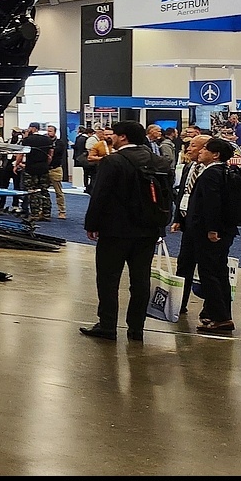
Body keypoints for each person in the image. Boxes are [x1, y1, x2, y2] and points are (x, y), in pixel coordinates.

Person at [80, 120, 164, 342]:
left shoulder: (113, 161)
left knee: (108, 280)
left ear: (123, 137)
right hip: (148, 230)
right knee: (141, 280)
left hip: (115, 230)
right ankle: (136, 328)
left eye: (114, 135)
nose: (111, 139)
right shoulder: (157, 161)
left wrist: (92, 224)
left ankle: (107, 325)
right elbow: (166, 197)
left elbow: (100, 195)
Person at [178, 137, 241, 334]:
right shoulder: (225, 171)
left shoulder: (211, 174)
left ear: (215, 154)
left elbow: (211, 204)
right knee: (220, 273)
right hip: (223, 231)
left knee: (210, 274)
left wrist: (212, 229)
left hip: (208, 233)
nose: (200, 151)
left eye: (205, 149)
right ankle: (223, 314)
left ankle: (220, 317)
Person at [171, 132, 212, 323]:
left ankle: (210, 309)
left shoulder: (213, 171)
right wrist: (178, 217)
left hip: (206, 228)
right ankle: (180, 303)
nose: (188, 148)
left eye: (193, 146)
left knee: (207, 269)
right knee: (184, 265)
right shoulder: (189, 166)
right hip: (188, 225)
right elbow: (183, 194)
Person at [19, 123, 56, 220]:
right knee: (44, 190)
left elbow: (21, 153)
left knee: (33, 191)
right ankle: (46, 213)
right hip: (43, 168)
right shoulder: (47, 139)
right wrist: (46, 164)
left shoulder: (27, 140)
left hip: (31, 168)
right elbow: (50, 155)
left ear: (33, 128)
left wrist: (16, 164)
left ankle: (35, 214)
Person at [84, 124, 112, 190]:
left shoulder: (117, 144)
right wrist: (104, 158)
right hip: (101, 170)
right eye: (106, 134)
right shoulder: (98, 145)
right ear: (102, 135)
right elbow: (90, 157)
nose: (108, 136)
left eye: (111, 134)